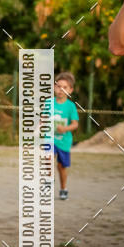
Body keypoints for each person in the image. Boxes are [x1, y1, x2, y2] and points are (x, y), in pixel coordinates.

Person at [53, 72, 79, 200]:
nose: (60, 90)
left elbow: (75, 125)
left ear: (70, 90)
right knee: (47, 157)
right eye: (58, 86)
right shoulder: (48, 102)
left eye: (65, 87)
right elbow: (42, 119)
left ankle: (63, 188)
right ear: (54, 87)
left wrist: (65, 128)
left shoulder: (71, 106)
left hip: (64, 141)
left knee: (61, 167)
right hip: (49, 139)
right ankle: (48, 179)